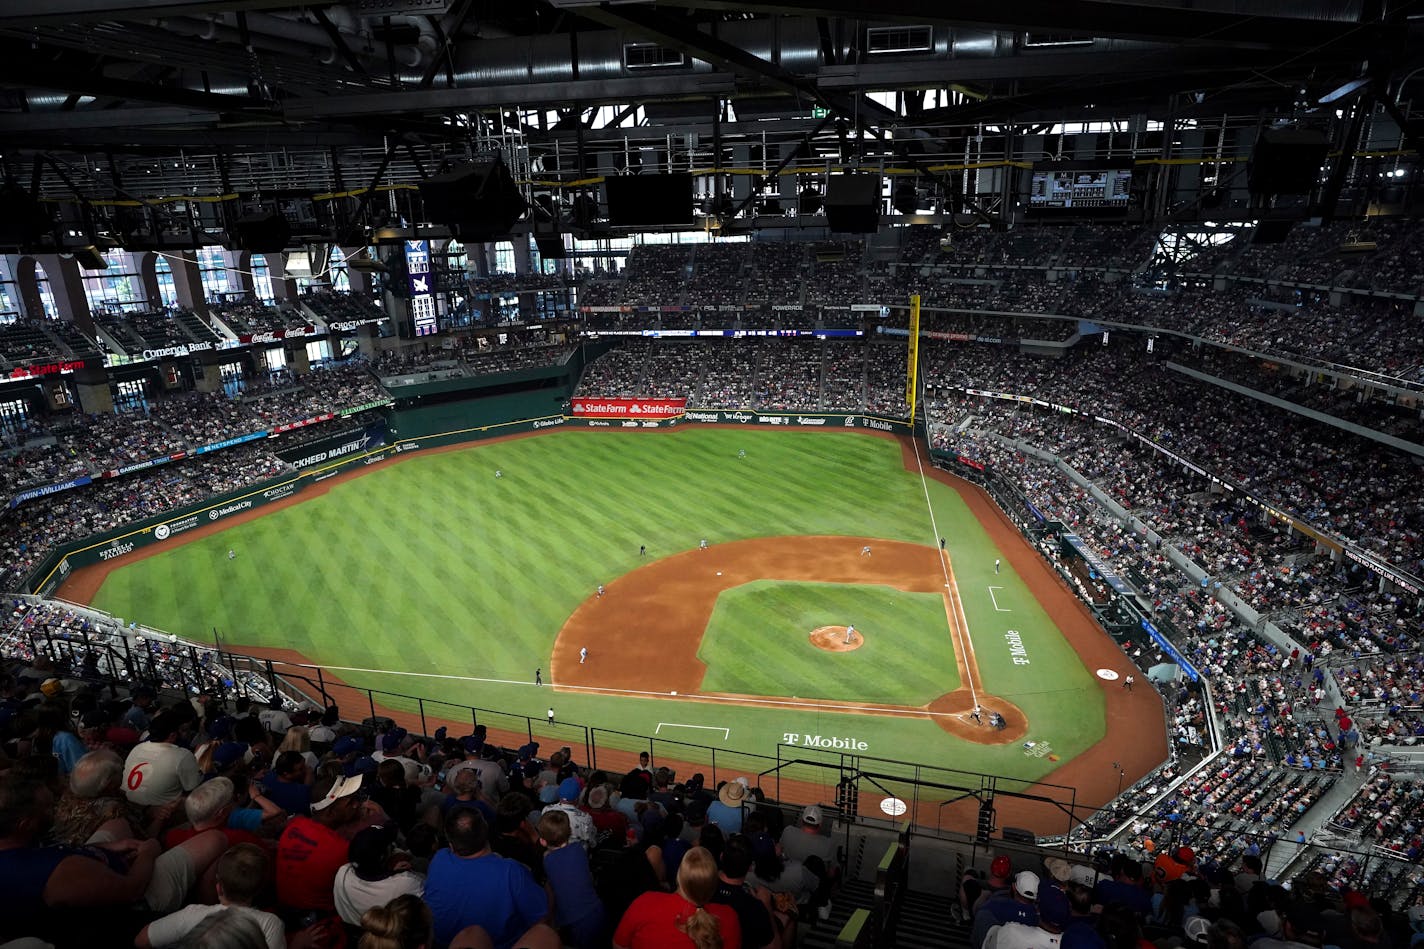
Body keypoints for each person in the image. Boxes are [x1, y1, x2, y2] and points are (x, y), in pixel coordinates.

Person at [425, 806, 551, 949]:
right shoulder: (511, 871)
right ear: (486, 832)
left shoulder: (440, 858)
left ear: (452, 845)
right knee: (546, 932)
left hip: (441, 944)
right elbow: (541, 917)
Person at [136, 843, 284, 949]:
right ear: (260, 889)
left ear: (218, 887)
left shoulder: (192, 913)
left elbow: (141, 940)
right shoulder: (269, 924)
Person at [613, 846, 741, 949]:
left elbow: (618, 944)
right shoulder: (729, 917)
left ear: (679, 877)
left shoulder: (645, 903)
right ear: (713, 885)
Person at [274, 772, 366, 915]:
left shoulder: (295, 824)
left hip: (285, 907)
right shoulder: (342, 849)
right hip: (319, 918)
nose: (357, 804)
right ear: (330, 813)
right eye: (350, 802)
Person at [333, 824, 426, 927]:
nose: (393, 847)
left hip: (357, 934)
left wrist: (389, 872)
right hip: (392, 939)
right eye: (391, 846)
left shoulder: (342, 874)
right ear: (383, 857)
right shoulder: (406, 883)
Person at [538, 810, 606, 949]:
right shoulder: (578, 849)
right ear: (569, 833)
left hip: (576, 920)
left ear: (543, 841)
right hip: (597, 909)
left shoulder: (548, 860)